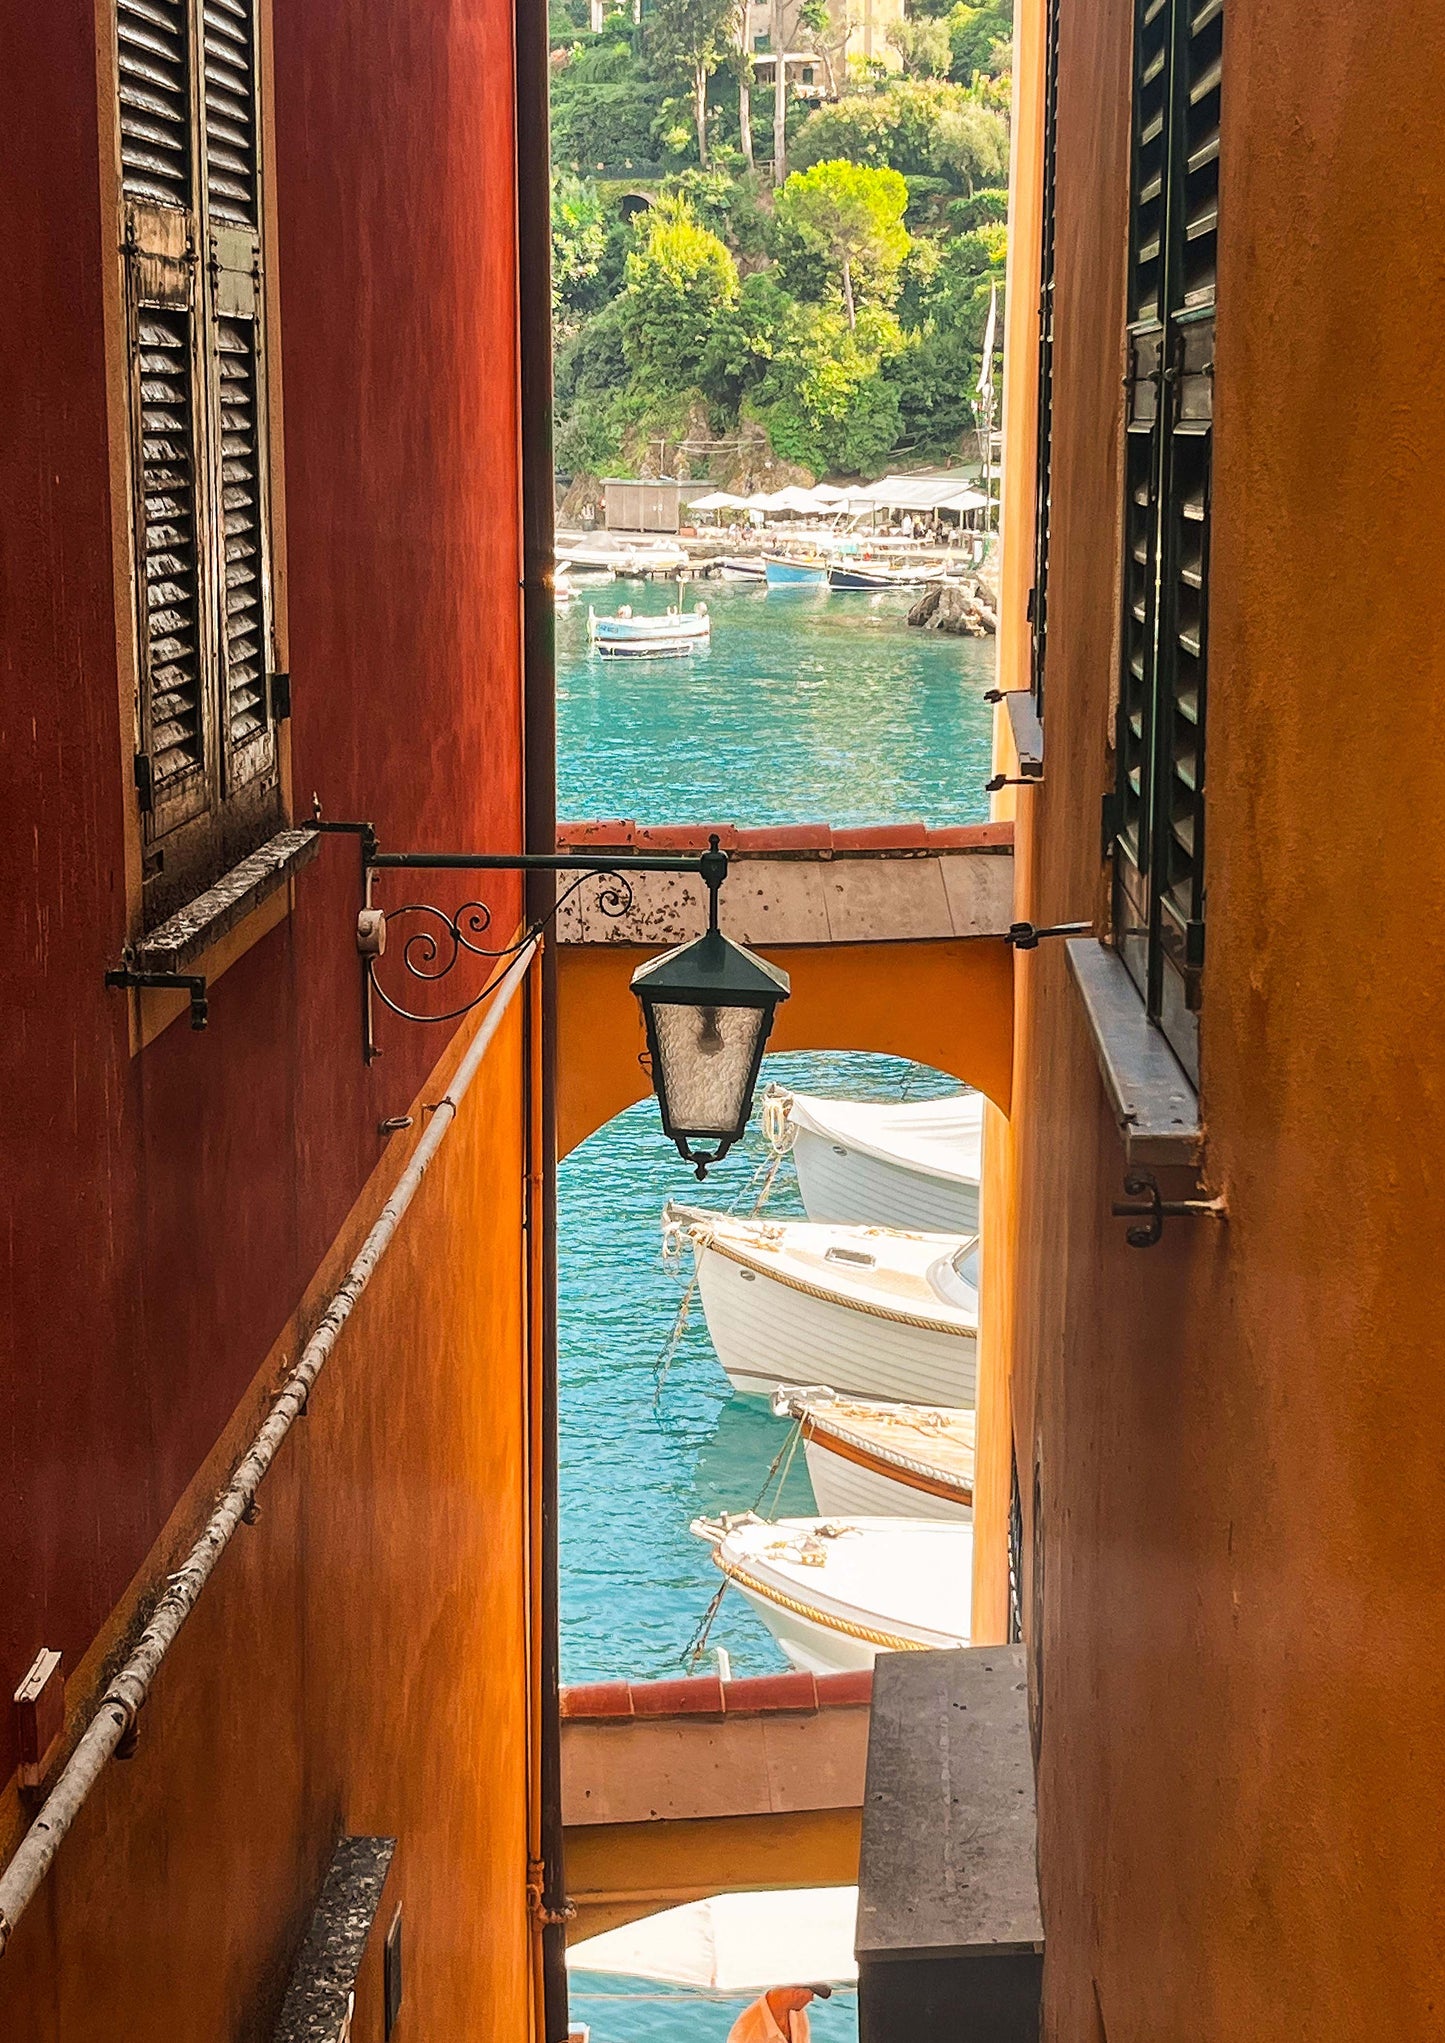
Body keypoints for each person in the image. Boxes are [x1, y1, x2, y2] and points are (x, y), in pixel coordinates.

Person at [726, 1984, 830, 2043]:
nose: (812, 1999)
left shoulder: (799, 2015)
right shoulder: (747, 2033)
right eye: (812, 1994)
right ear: (796, 1991)